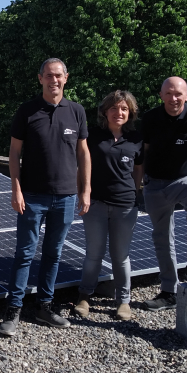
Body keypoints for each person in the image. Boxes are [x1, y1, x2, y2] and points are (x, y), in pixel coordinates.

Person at [0, 58, 91, 336]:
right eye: (48, 76)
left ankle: (44, 307)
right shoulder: (27, 111)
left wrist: (85, 190)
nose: (54, 80)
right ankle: (13, 309)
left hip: (65, 196)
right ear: (40, 78)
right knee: (25, 253)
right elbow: (14, 153)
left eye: (58, 76)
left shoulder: (76, 111)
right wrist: (15, 188)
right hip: (32, 196)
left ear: (66, 78)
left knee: (53, 254)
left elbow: (83, 153)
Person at [140, 76, 187, 311]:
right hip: (156, 184)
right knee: (162, 238)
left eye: (178, 94)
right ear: (161, 96)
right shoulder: (150, 118)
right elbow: (144, 152)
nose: (173, 98)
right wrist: (137, 183)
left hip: (184, 180)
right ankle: (169, 291)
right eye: (168, 94)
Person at [73, 90, 143, 322]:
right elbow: (81, 167)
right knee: (94, 254)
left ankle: (123, 300)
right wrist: (82, 192)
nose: (119, 113)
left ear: (130, 113)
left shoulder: (136, 140)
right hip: (96, 204)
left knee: (120, 257)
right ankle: (84, 296)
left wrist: (133, 193)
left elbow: (138, 172)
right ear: (105, 111)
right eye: (114, 108)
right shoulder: (92, 136)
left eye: (124, 109)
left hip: (125, 206)